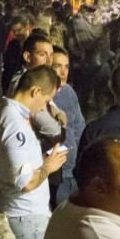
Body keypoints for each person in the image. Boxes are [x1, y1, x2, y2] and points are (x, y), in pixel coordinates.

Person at [0, 65, 68, 239]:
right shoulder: (14, 123)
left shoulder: (2, 113)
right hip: (26, 217)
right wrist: (48, 166)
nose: (45, 107)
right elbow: (25, 182)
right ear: (35, 92)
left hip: (23, 213)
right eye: (46, 100)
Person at [50, 46, 86, 205]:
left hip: (72, 169)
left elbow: (79, 126)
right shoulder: (45, 96)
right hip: (55, 171)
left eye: (66, 66)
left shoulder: (69, 91)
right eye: (58, 66)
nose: (63, 72)